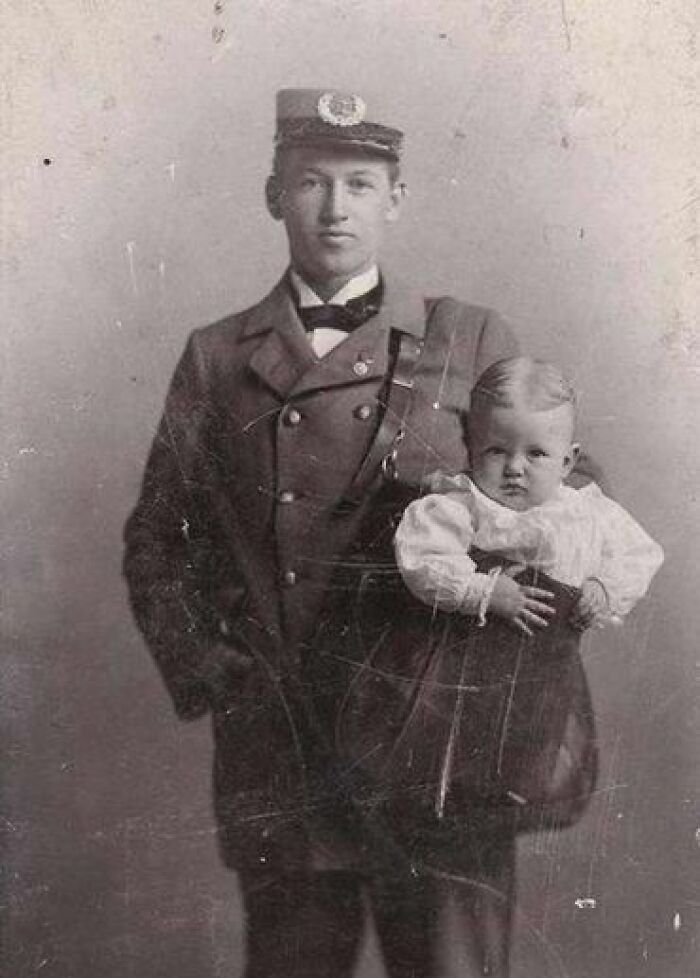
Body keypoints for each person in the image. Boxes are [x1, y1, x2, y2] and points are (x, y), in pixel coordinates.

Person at [123, 88, 525, 978]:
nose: (336, 208)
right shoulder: (217, 356)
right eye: (312, 182)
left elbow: (566, 493)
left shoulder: (466, 341)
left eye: (360, 182)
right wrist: (218, 674)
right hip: (288, 750)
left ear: (397, 198)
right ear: (275, 196)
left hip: (437, 749)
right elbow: (157, 538)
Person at [394, 356, 664, 634]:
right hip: (471, 648)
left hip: (554, 659)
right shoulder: (461, 505)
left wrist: (603, 587)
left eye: (536, 453)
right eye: (496, 450)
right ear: (471, 451)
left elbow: (639, 553)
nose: (514, 468)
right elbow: (423, 559)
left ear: (567, 462)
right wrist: (482, 591)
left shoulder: (586, 510)